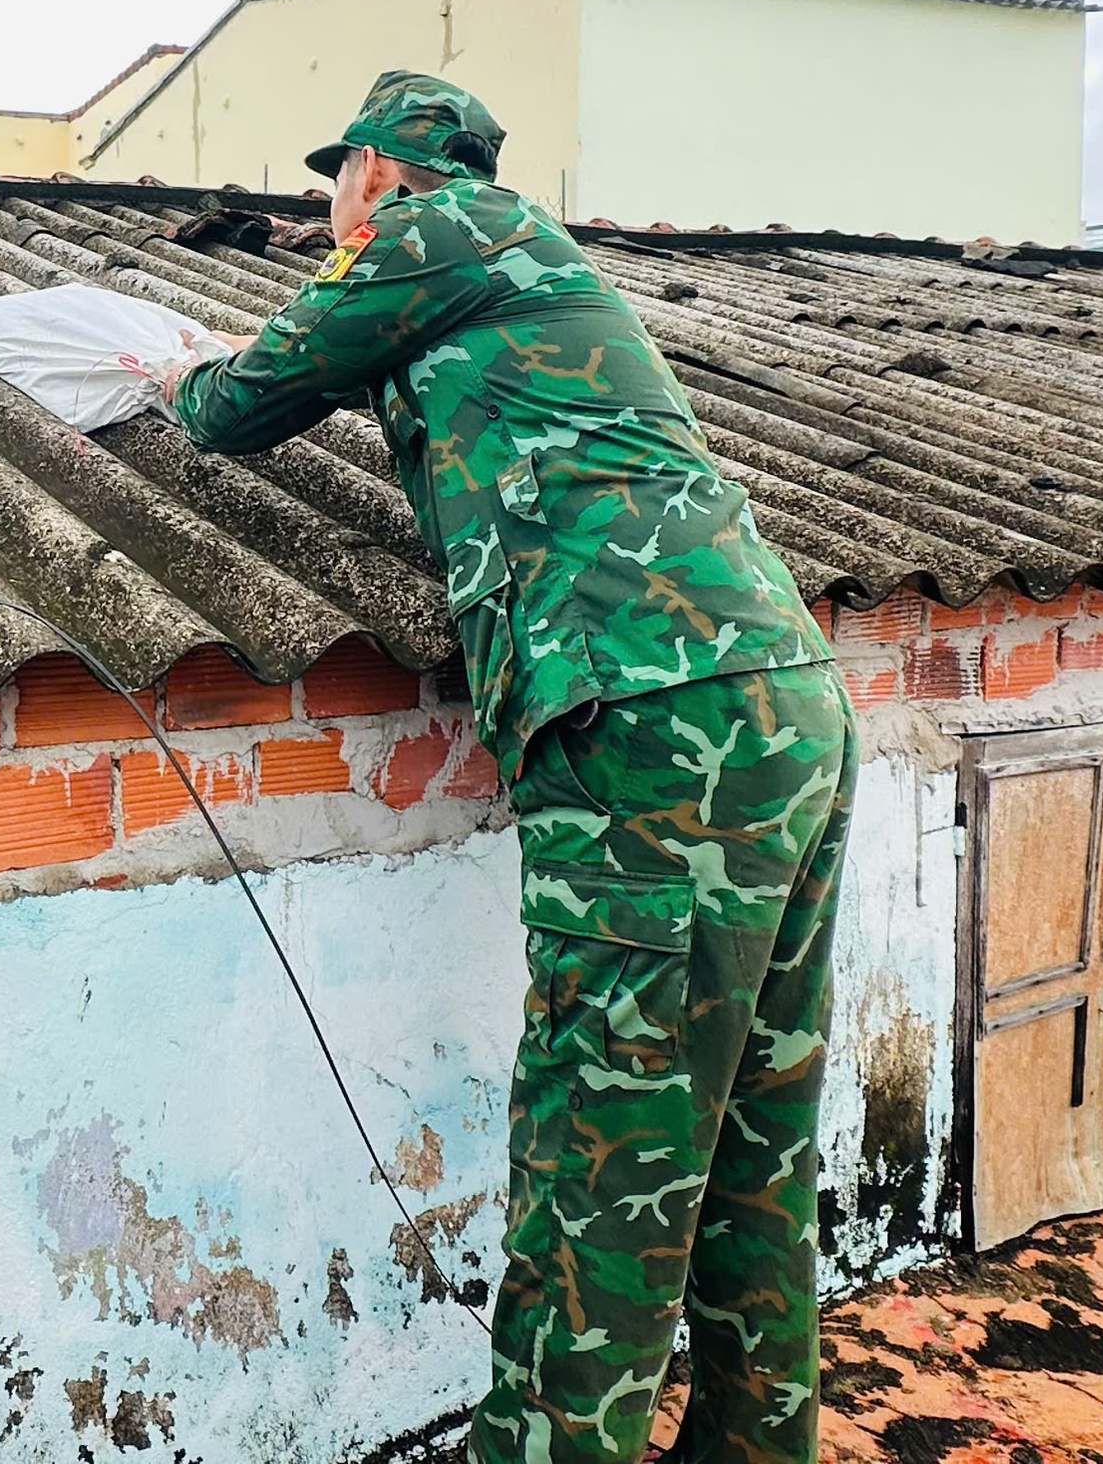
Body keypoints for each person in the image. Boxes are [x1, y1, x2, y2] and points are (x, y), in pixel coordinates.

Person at [164, 72, 854, 1464]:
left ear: (375, 171)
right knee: (747, 1159)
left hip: (656, 726)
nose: (328, 209)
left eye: (334, 181)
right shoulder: (512, 269)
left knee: (604, 1163)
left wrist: (159, 367)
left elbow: (232, 407)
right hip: (777, 702)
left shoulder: (439, 237)